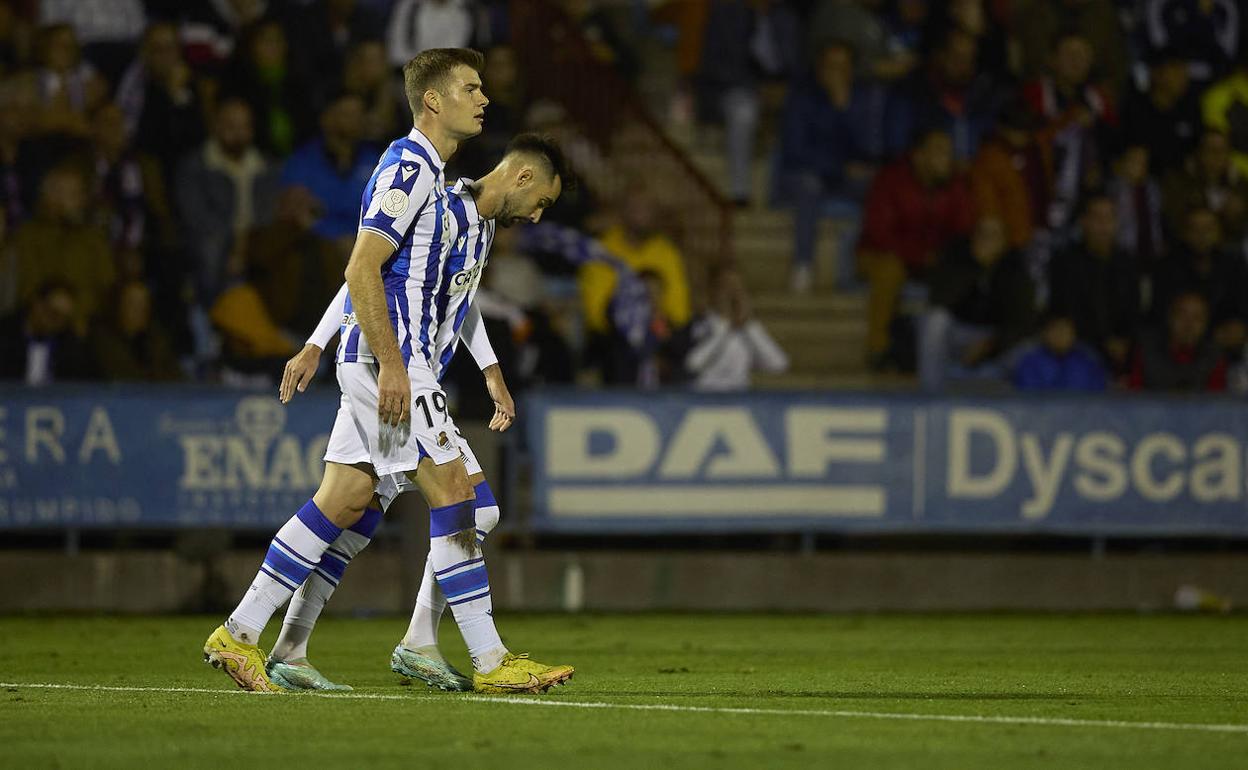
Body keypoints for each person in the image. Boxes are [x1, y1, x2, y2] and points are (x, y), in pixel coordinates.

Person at [202, 49, 573, 696]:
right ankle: (487, 661)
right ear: (434, 99)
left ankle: (246, 633)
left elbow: (413, 285)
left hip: (387, 362)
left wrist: (485, 369)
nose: (483, 98)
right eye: (470, 87)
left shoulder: (438, 181)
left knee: (346, 501)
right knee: (460, 497)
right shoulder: (409, 169)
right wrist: (387, 364)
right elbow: (360, 269)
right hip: (390, 364)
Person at [858, 128, 974, 369]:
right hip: (881, 255)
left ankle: (943, 352)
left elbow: (964, 229)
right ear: (919, 156)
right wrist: (921, 255)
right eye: (939, 152)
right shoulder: (891, 180)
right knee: (890, 270)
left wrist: (942, 256)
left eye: (949, 153)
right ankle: (878, 349)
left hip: (933, 260)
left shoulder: (955, 184)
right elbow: (879, 234)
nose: (947, 159)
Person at [776, 40, 879, 292]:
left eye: (843, 67)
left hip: (840, 181)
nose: (837, 74)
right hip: (800, 177)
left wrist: (843, 108)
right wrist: (839, 167)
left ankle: (862, 266)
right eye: (831, 67)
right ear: (819, 69)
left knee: (879, 186)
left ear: (851, 71)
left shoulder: (862, 101)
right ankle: (803, 265)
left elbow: (871, 149)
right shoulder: (801, 99)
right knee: (809, 185)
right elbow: (795, 152)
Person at [175, 97, 279, 306]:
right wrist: (234, 245)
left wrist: (245, 245)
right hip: (217, 240)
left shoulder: (265, 167)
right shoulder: (197, 167)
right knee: (209, 248)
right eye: (231, 126)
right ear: (216, 126)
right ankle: (209, 315)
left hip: (255, 238)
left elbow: (270, 212)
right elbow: (195, 217)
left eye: (244, 126)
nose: (238, 134)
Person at [918, 217, 1037, 391]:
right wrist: (975, 268)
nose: (986, 241)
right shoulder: (956, 258)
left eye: (994, 235)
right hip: (960, 334)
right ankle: (932, 394)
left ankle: (1016, 401)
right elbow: (939, 301)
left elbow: (1023, 323)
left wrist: (990, 345)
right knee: (934, 321)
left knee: (1030, 347)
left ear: (1004, 241)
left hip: (996, 339)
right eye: (982, 234)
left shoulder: (1016, 268)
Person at [1046, 195, 1141, 375]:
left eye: (1109, 218)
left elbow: (1134, 312)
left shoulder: (1127, 263)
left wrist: (1125, 341)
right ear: (1084, 222)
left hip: (1123, 347)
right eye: (1097, 218)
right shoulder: (1066, 262)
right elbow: (1066, 310)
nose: (1103, 226)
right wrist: (1104, 341)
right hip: (1079, 343)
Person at [279, 91, 378, 242]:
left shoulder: (377, 161)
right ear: (326, 118)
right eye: (347, 114)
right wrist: (334, 239)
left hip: (369, 246)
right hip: (319, 248)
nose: (357, 120)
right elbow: (298, 215)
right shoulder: (302, 162)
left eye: (359, 114)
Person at [685, 264, 788, 391]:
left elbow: (778, 364)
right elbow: (693, 364)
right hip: (705, 397)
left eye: (737, 288)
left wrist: (749, 326)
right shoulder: (701, 323)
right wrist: (724, 329)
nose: (732, 294)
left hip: (739, 399)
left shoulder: (749, 329)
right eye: (727, 287)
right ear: (713, 291)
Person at [0, 278, 95, 384]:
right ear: (37, 304)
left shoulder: (68, 341)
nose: (58, 322)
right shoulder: (6, 333)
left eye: (64, 318)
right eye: (53, 314)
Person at [1130, 291, 1226, 392]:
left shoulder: (1214, 356)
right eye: (1182, 315)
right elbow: (1133, 395)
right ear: (1170, 317)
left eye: (1197, 318)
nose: (1189, 324)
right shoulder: (1147, 351)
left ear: (1206, 323)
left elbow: (1217, 401)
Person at [1012, 312, 1107, 391]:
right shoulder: (1030, 362)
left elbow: (1099, 393)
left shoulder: (1087, 361)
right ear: (1045, 333)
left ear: (1073, 335)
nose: (1060, 336)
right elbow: (1027, 396)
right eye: (1055, 330)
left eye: (1065, 331)